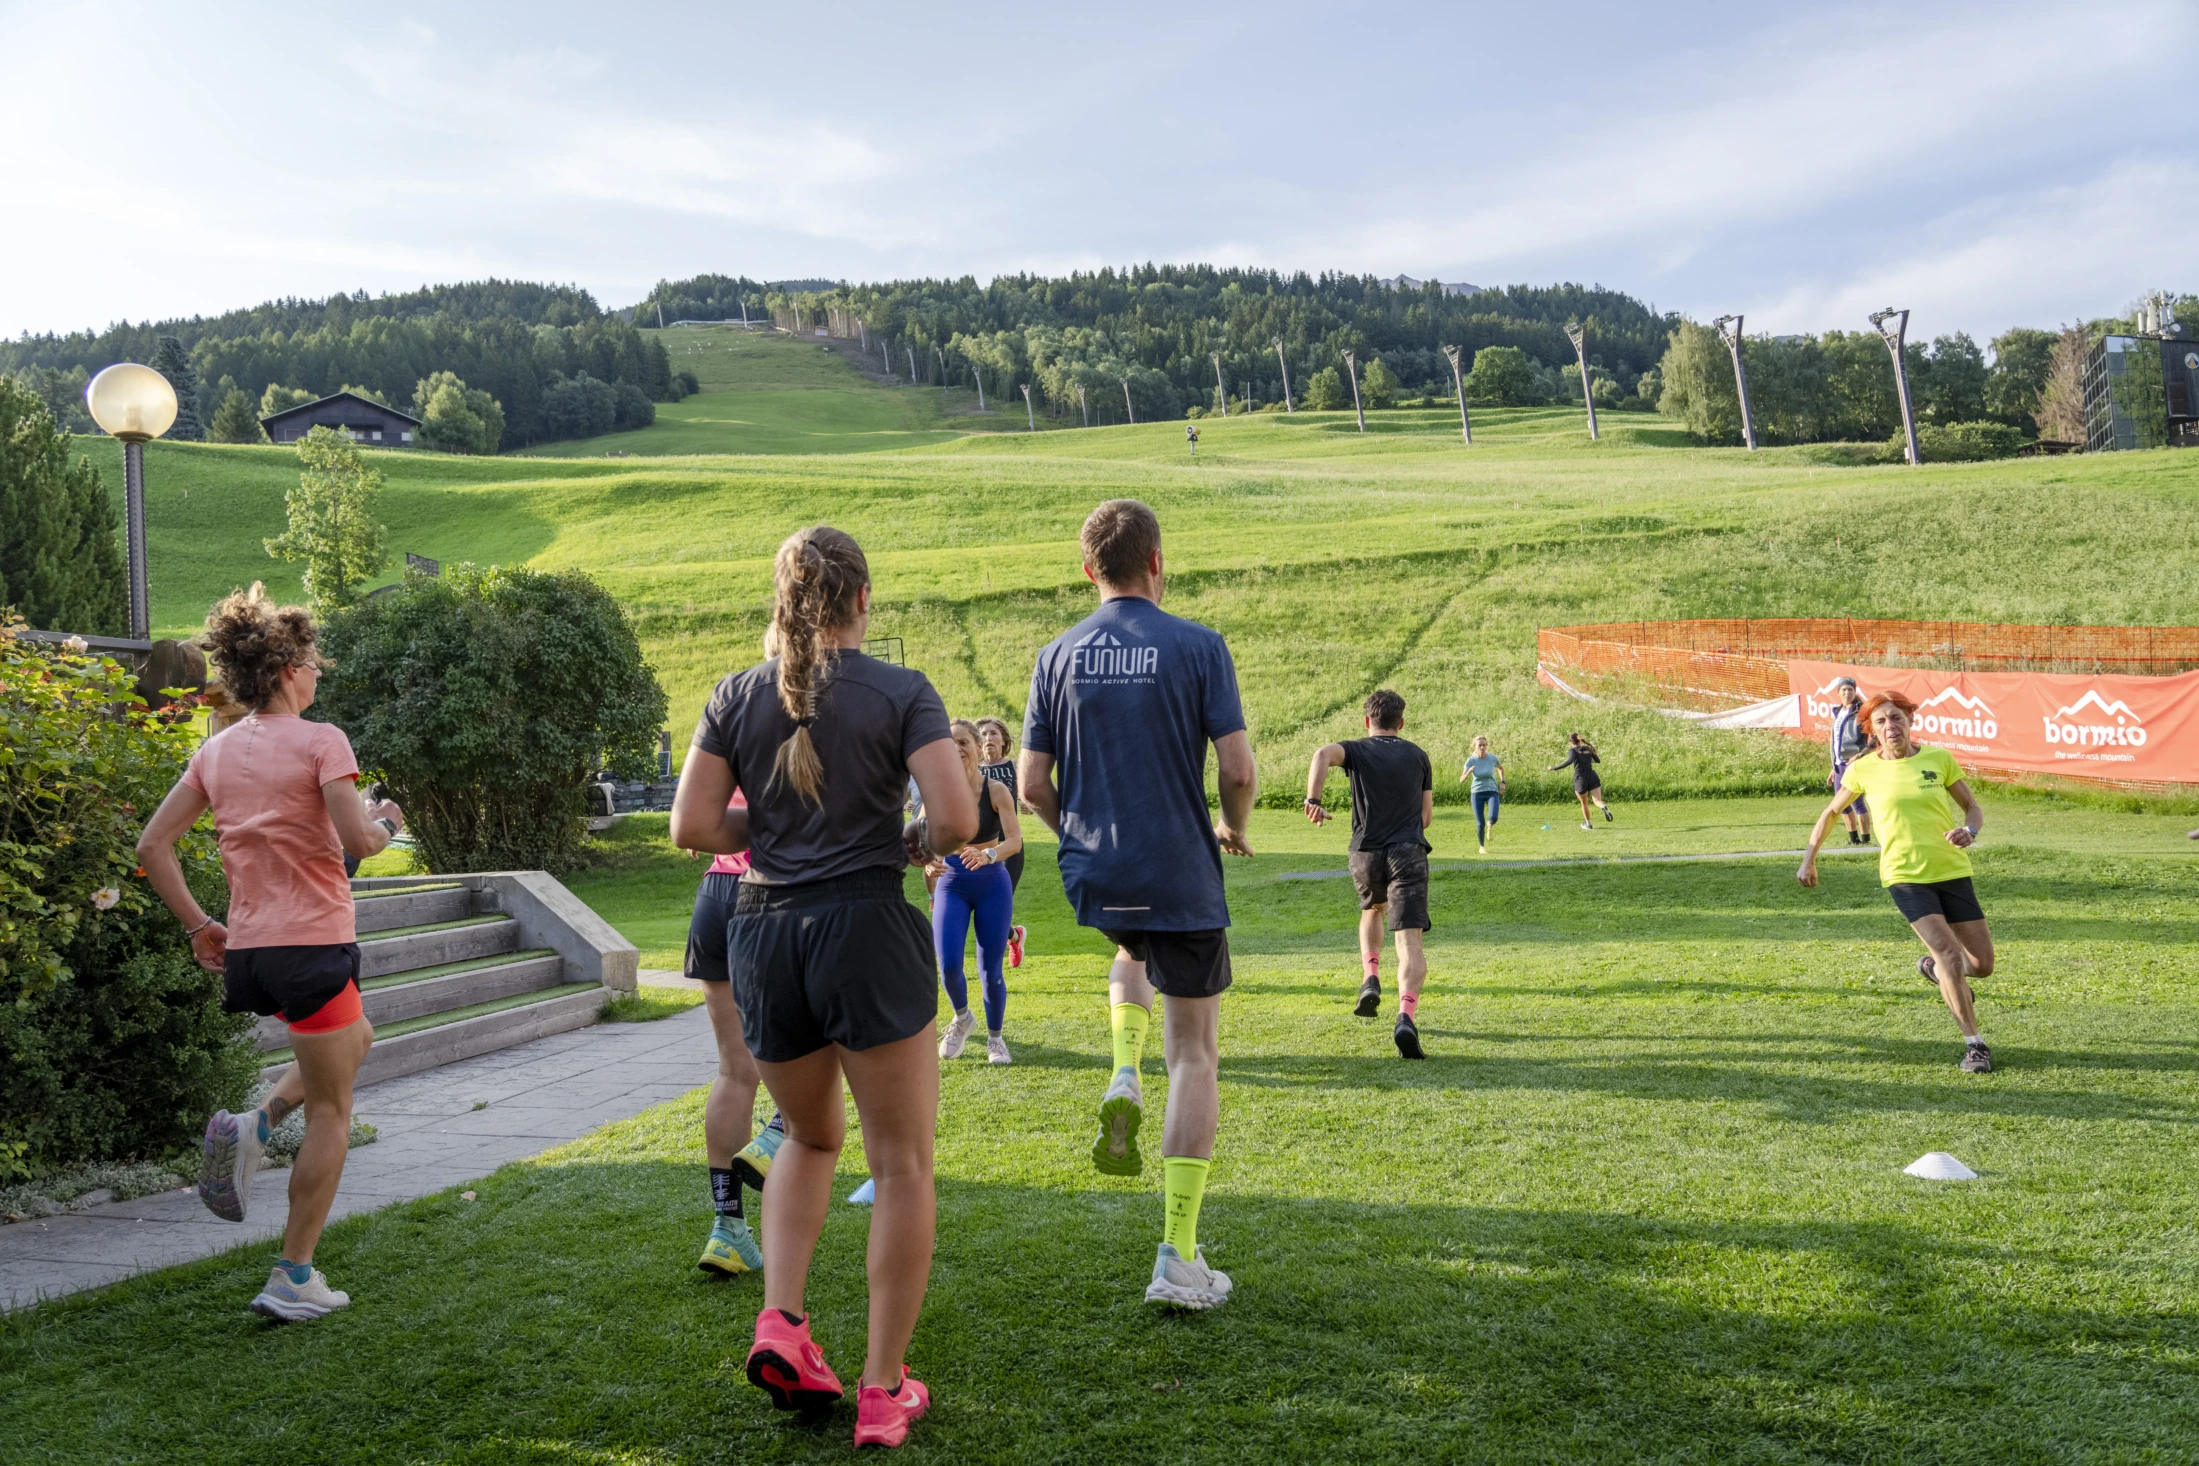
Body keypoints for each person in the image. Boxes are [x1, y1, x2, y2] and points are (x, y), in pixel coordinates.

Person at [670, 526, 975, 1450]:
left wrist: (772, 819)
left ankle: (783, 1326)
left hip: (761, 930)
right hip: (864, 927)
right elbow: (957, 819)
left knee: (806, 1135)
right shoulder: (902, 691)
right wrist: (900, 837)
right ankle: (883, 1390)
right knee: (901, 1164)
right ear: (862, 598)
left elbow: (692, 827)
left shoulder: (733, 694)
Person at [136, 584, 402, 1322]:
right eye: (313, 662)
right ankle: (293, 1275)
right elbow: (357, 842)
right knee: (332, 1112)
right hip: (313, 946)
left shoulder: (216, 750)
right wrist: (383, 822)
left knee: (358, 1039)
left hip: (251, 952)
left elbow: (152, 845)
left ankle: (251, 1129)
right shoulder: (324, 740)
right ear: (287, 667)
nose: (318, 675)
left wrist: (199, 926)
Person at [1019, 498, 1257, 1311]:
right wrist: (1230, 826)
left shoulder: (1054, 655)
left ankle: (1123, 1070)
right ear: (1158, 560)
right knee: (1193, 1053)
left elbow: (1028, 785)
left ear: (1089, 570)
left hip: (1101, 877)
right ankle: (1178, 1256)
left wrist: (1076, 834)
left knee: (1130, 951)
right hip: (1178, 873)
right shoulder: (1197, 645)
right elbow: (1236, 769)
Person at [1796, 691, 1996, 1074]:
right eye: (1883, 721)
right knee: (1950, 955)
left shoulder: (1939, 759)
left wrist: (1970, 829)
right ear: (1872, 730)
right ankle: (1975, 1046)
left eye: (1898, 718)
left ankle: (1937, 973)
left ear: (1910, 721)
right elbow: (1831, 811)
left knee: (1981, 965)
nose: (1892, 726)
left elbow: (1972, 806)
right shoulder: (1862, 770)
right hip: (1904, 876)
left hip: (1952, 870)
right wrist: (1809, 860)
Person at [682, 785, 788, 1277]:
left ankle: (728, 1231)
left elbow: (692, 819)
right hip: (773, 889)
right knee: (836, 1034)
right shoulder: (817, 715)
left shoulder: (735, 716)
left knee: (734, 1071)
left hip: (715, 893)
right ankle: (777, 1135)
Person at [1304, 689, 1435, 1059]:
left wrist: (1313, 800)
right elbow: (1426, 818)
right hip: (1407, 851)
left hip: (1365, 852)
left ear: (1367, 722)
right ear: (1401, 723)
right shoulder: (1418, 755)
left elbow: (1321, 755)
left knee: (1372, 910)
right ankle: (1405, 1016)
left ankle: (1370, 977)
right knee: (1409, 939)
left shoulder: (1356, 750)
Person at [931, 718, 1025, 1064]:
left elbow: (1014, 840)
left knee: (990, 970)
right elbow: (925, 834)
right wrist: (929, 860)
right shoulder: (938, 790)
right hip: (952, 882)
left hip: (991, 880)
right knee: (949, 965)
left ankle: (996, 1039)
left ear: (975, 747)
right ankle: (961, 1017)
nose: (956, 750)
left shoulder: (996, 790)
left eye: (963, 743)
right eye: (949, 743)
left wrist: (988, 854)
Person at [974, 716, 1029, 967]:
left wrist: (1028, 803)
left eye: (993, 733)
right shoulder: (971, 772)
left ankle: (993, 964)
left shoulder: (1015, 768)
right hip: (976, 849)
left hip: (1009, 848)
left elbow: (1031, 793)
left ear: (1004, 740)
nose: (988, 739)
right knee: (979, 906)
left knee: (996, 906)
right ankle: (1014, 936)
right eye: (983, 734)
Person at [1827, 677, 1875, 846]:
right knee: (1841, 803)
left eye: (1850, 690)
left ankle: (1866, 840)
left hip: (1854, 763)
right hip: (1840, 764)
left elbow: (1876, 737)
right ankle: (1853, 839)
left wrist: (1860, 755)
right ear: (1838, 692)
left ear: (1855, 692)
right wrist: (1834, 766)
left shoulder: (1862, 711)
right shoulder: (1837, 711)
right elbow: (1835, 740)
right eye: (1844, 690)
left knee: (1856, 801)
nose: (1847, 693)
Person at [1549, 732, 1612, 829]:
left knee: (1584, 802)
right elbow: (1597, 760)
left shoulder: (1572, 751)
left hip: (1580, 778)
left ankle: (1588, 824)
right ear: (1579, 740)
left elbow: (1569, 761)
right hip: (1592, 776)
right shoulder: (1588, 748)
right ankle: (1603, 806)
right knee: (1597, 800)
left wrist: (1555, 768)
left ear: (1571, 742)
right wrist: (1586, 760)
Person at [1459, 735, 1506, 854]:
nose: (1482, 747)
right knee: (1480, 823)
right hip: (1477, 793)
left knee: (1493, 817)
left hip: (1492, 791)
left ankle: (1490, 825)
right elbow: (1461, 779)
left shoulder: (1492, 758)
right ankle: (1481, 847)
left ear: (1487, 746)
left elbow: (1500, 768)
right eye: (1479, 745)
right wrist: (1469, 772)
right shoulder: (1470, 760)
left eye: (1484, 745)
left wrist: (1502, 782)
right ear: (1475, 747)